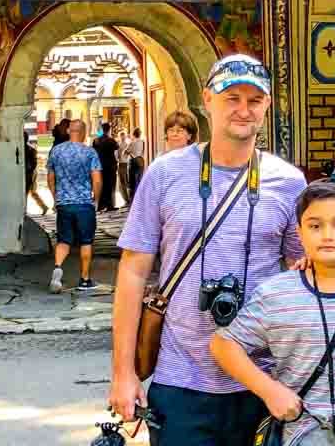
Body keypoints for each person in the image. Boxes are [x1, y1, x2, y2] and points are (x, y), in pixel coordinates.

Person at [109, 53, 307, 446]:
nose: (243, 109)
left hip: (264, 379)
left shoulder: (289, 183)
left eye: (254, 100)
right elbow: (132, 273)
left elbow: (304, 275)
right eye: (232, 98)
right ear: (207, 100)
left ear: (267, 105)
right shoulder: (164, 174)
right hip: (180, 378)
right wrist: (123, 373)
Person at [210, 179, 335, 446]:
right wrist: (269, 391)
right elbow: (223, 344)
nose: (328, 235)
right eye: (315, 226)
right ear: (299, 233)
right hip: (304, 434)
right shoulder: (276, 294)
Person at [46, 118, 102, 293]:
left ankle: (57, 267)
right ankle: (84, 280)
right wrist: (96, 199)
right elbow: (97, 179)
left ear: (69, 131)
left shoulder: (56, 151)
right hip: (84, 203)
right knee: (86, 241)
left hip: (64, 203)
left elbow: (50, 178)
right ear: (84, 133)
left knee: (64, 240)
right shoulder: (90, 153)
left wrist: (56, 197)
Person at [93, 121, 121, 211]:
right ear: (109, 129)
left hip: (100, 165)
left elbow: (93, 149)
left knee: (101, 185)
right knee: (110, 185)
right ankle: (110, 205)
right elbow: (117, 147)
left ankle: (100, 205)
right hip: (110, 166)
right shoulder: (110, 140)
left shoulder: (96, 140)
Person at [24, 131, 48, 215]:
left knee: (28, 192)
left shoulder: (28, 150)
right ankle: (43, 207)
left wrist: (29, 176)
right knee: (31, 192)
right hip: (30, 173)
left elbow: (32, 164)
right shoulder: (31, 149)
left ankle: (24, 210)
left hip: (29, 173)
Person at [125, 127, 146, 197]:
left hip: (133, 161)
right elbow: (143, 151)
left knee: (132, 180)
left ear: (134, 134)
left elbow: (126, 151)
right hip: (140, 160)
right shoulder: (142, 142)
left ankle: (133, 196)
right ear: (140, 134)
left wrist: (129, 153)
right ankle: (141, 195)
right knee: (140, 179)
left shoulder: (132, 143)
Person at [117, 129, 132, 204]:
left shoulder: (123, 144)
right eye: (121, 136)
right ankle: (126, 198)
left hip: (124, 163)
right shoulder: (123, 144)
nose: (122, 137)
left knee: (124, 181)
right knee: (124, 181)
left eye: (123, 136)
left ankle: (127, 198)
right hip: (122, 163)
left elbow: (118, 155)